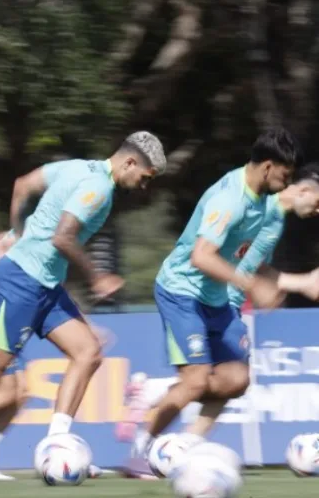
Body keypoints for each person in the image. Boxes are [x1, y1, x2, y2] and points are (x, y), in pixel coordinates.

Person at [0, 133, 165, 469]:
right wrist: (96, 277)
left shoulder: (77, 167)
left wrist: (18, 233)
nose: (143, 186)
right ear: (130, 162)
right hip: (22, 280)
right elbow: (63, 237)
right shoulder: (99, 188)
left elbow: (23, 184)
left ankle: (56, 443)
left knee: (88, 351)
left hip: (42, 283)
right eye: (145, 177)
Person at [124, 155, 319, 477]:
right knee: (196, 380)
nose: (317, 211)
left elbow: (252, 264)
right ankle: (140, 449)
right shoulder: (258, 207)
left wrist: (302, 282)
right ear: (303, 190)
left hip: (227, 303)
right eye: (318, 202)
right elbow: (218, 257)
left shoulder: (276, 220)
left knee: (236, 380)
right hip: (199, 297)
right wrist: (260, 286)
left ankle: (183, 448)